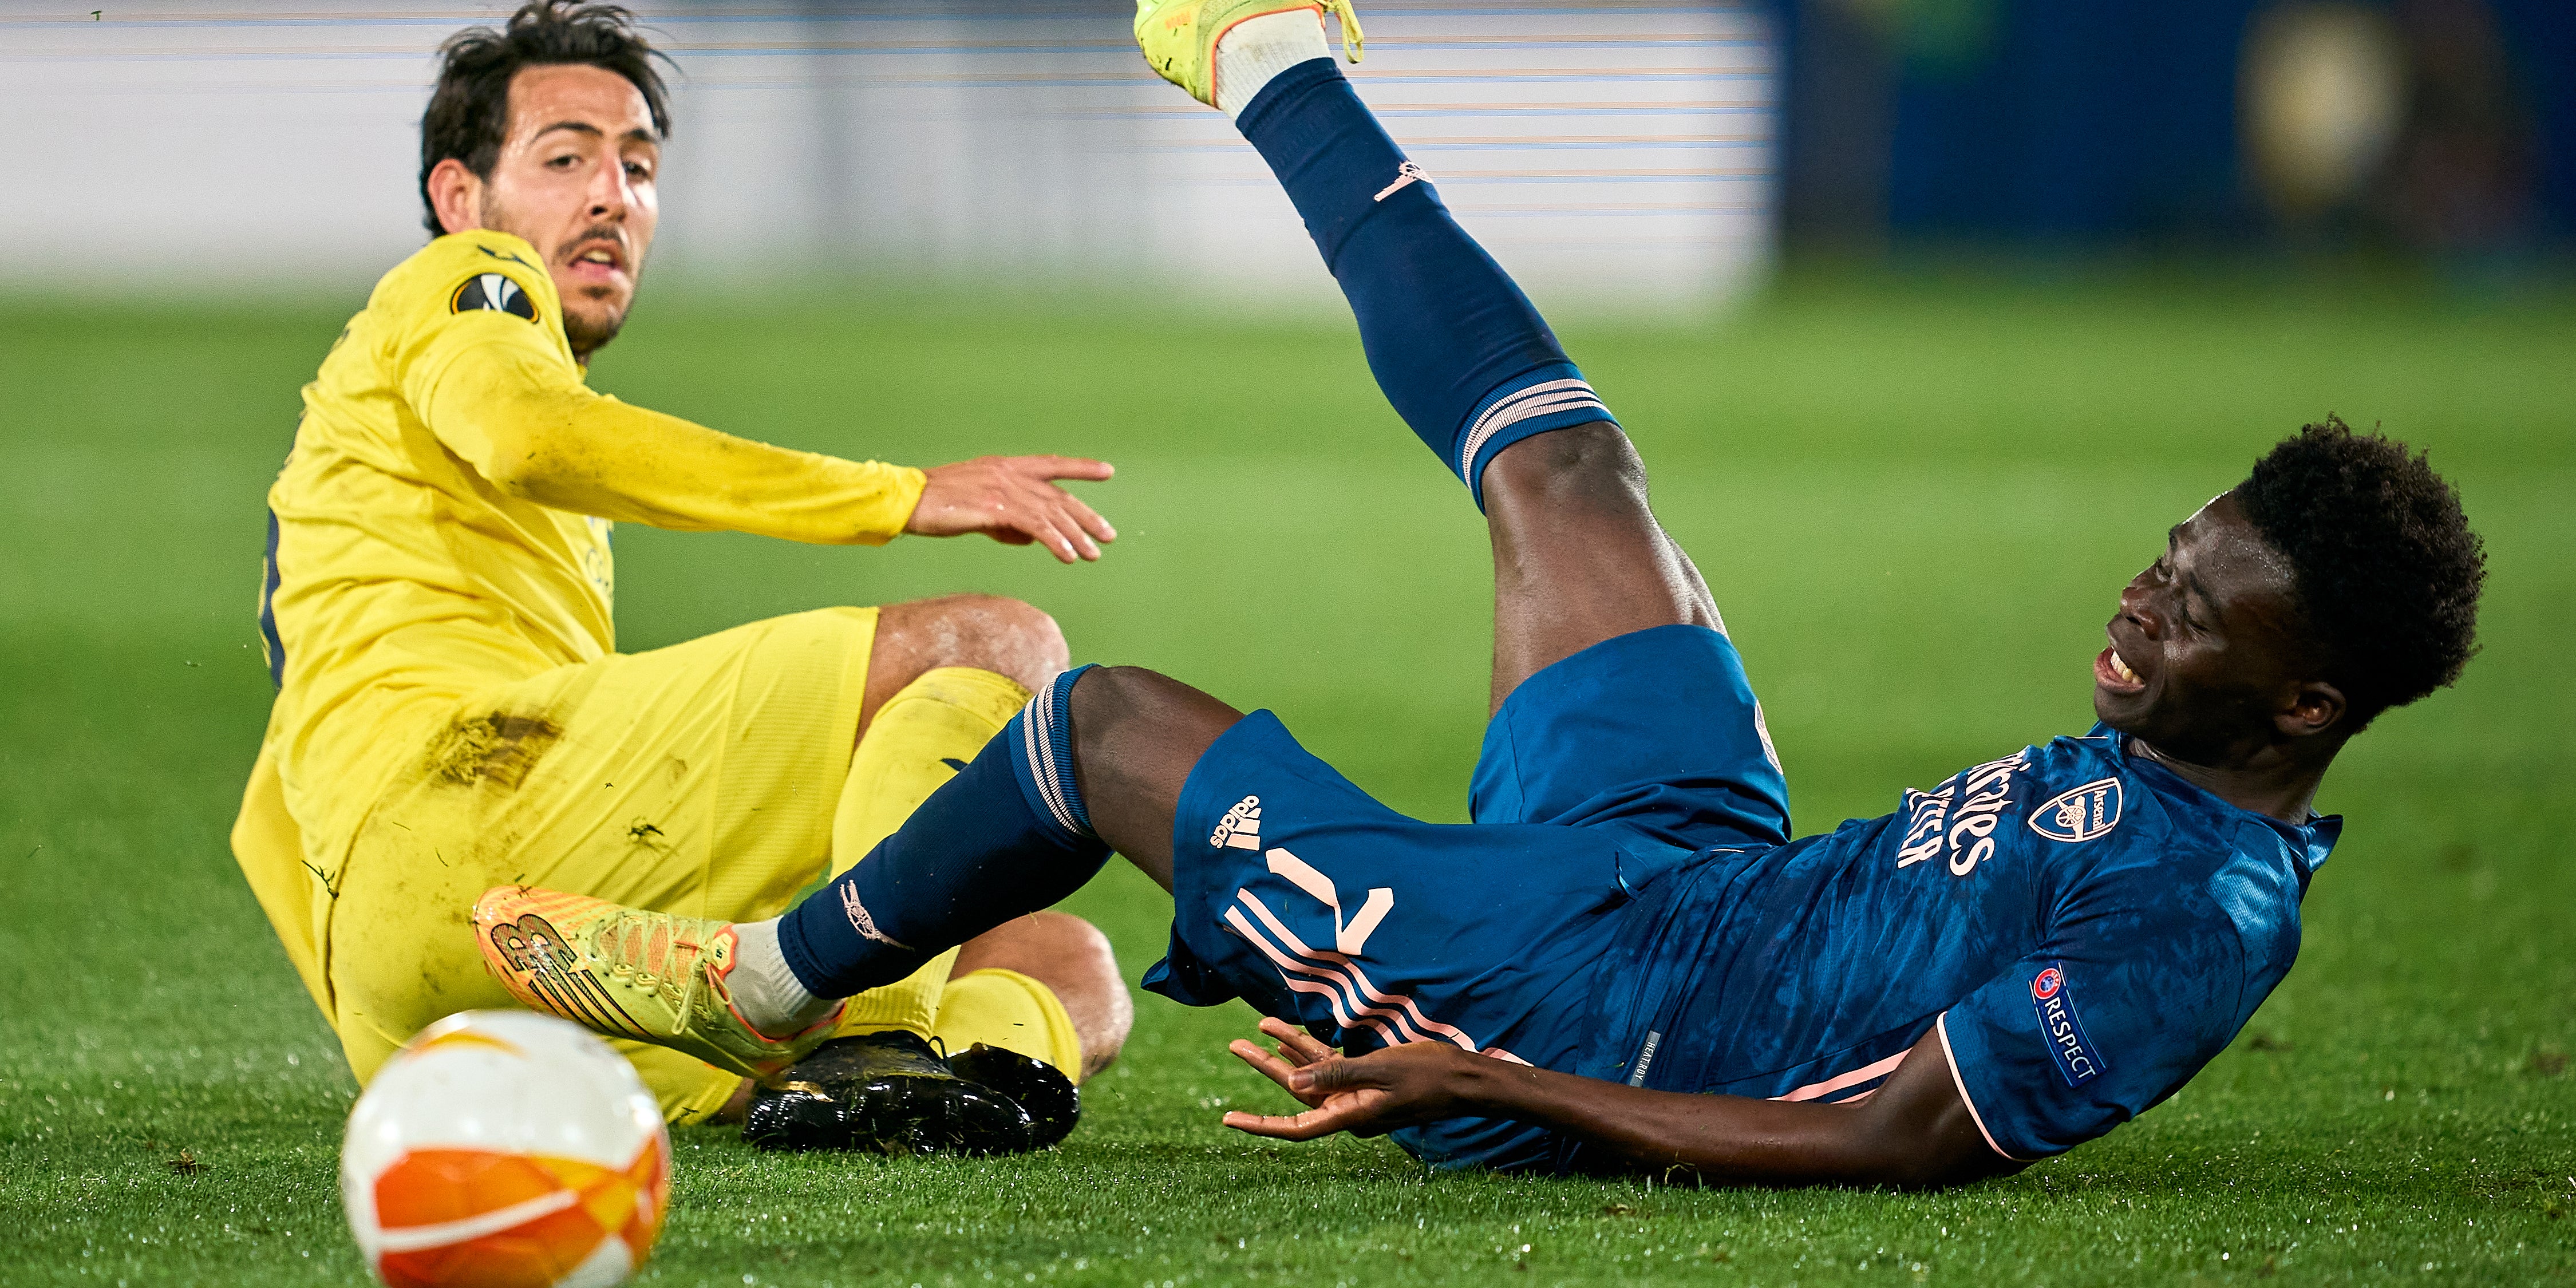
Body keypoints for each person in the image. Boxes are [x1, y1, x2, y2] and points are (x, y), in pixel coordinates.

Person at [471, 0, 2486, 1183]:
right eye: (2167, 553)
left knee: (1098, 730)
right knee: (1568, 470)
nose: (2140, 602)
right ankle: (1263, 49)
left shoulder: (2194, 921)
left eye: (2195, 610)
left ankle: (760, 983)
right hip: (1697, 877)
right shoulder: (2186, 759)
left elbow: (1886, 1139)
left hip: (1589, 1014)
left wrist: (1492, 1082)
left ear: (2305, 705)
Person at [231, 0, 1132, 1153]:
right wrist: (895, 494)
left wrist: (386, 992)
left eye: (640, 167)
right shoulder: (465, 277)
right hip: (462, 805)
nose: (613, 195)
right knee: (1000, 648)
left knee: (1065, 963)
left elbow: (268, 815)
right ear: (461, 195)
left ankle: (894, 1077)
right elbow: (531, 434)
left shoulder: (388, 489)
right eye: (566, 159)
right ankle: (878, 1041)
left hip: (455, 962)